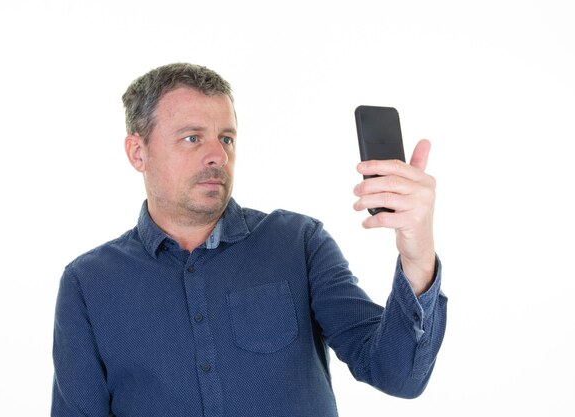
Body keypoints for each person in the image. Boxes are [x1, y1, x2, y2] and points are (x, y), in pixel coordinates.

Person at [51, 63, 447, 417]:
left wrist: (417, 256)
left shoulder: (299, 243)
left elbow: (398, 375)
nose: (218, 157)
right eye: (192, 138)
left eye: (226, 138)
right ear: (138, 153)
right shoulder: (88, 283)